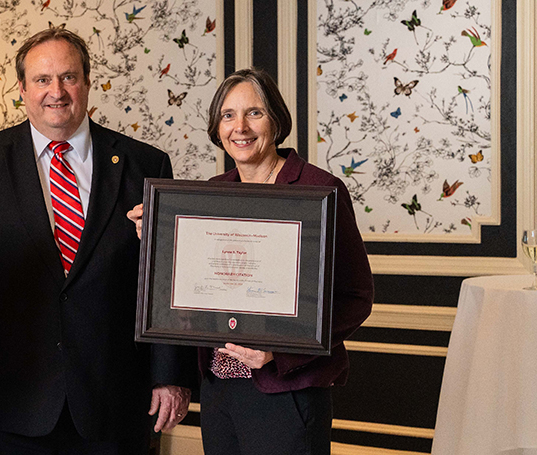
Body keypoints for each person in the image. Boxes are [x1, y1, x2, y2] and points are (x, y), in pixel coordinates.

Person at [0, 28, 196, 454]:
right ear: (22, 89)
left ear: (87, 83)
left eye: (68, 77)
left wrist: (170, 374)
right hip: (7, 403)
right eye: (42, 79)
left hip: (113, 403)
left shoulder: (145, 163)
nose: (56, 91)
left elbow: (164, 279)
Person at [133, 68, 374, 454]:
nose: (239, 127)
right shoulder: (211, 193)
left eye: (254, 113)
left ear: (276, 119)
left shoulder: (319, 189)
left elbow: (356, 296)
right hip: (220, 389)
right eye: (228, 115)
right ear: (217, 126)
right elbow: (195, 285)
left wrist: (281, 351)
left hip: (286, 390)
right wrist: (159, 241)